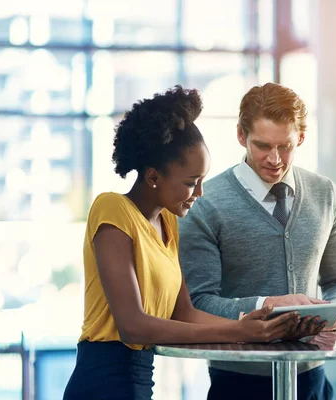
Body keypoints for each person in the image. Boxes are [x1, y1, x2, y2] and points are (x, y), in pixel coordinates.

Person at [63, 86, 301, 400]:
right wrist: (236, 331)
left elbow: (184, 313)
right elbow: (132, 325)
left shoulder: (169, 223)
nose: (199, 193)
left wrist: (246, 324)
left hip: (138, 381)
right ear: (152, 177)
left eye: (202, 180)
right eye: (191, 182)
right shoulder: (112, 210)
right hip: (102, 382)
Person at [179, 82, 336, 400]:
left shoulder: (325, 193)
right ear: (240, 136)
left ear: (300, 137)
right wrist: (269, 306)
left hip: (312, 376)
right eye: (262, 145)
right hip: (237, 379)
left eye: (285, 146)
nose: (274, 159)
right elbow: (198, 302)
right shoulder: (205, 203)